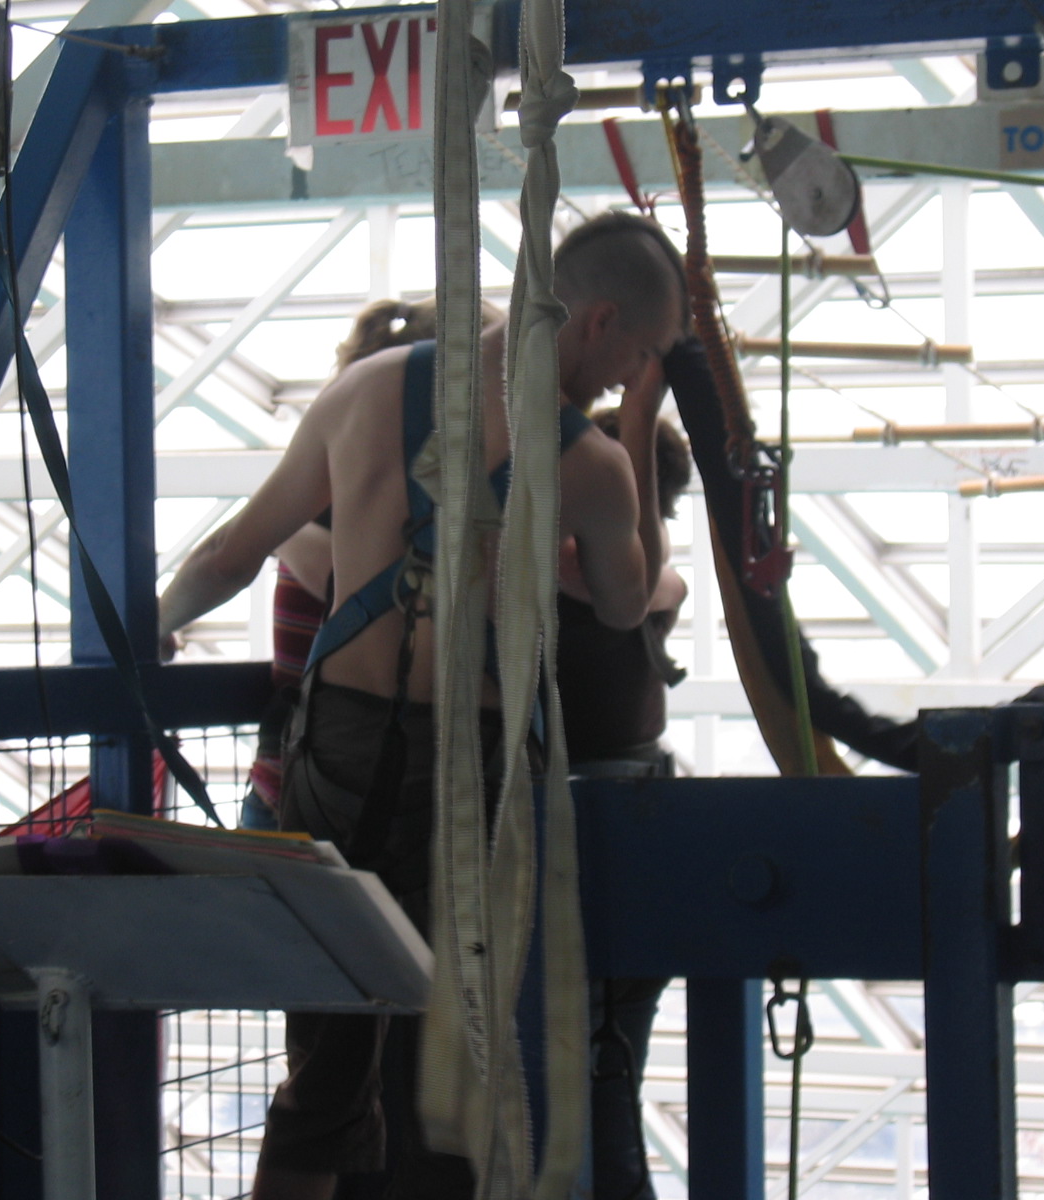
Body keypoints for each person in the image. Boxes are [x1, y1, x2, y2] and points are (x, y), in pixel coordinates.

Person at [159, 211, 687, 1200]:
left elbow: (231, 555)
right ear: (600, 321)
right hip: (467, 772)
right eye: (640, 356)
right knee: (454, 1078)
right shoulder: (588, 462)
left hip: (337, 753)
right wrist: (637, 430)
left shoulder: (366, 390)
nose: (631, 378)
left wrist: (148, 630)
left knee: (324, 1070)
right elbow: (626, 604)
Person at [159, 297, 496, 832]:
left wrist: (156, 624)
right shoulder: (417, 505)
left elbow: (224, 558)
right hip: (400, 777)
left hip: (307, 778)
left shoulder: (328, 495)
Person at [556, 410, 691, 1200]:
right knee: (612, 1061)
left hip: (579, 831)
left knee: (585, 1063)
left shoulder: (608, 582)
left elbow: (604, 581)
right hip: (645, 827)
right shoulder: (663, 587)